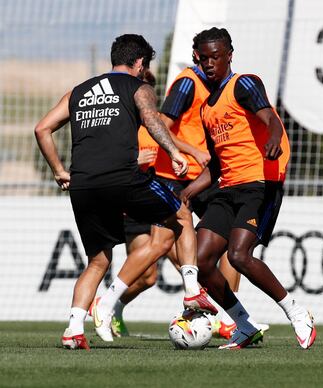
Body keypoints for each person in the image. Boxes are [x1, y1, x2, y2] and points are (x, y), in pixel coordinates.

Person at [34, 34, 216, 350]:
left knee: (97, 261)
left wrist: (59, 171)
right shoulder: (138, 87)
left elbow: (42, 129)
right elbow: (151, 119)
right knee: (181, 212)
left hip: (83, 185)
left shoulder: (78, 92)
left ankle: (74, 329)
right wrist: (174, 152)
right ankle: (188, 289)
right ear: (140, 63)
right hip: (123, 179)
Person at [109, 54, 267, 340]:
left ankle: (230, 317)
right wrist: (185, 153)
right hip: (163, 182)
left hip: (196, 177)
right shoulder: (184, 87)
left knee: (226, 244)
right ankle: (110, 305)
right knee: (154, 268)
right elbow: (159, 130)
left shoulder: (221, 92)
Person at [181, 27, 316, 349]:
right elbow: (216, 162)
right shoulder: (206, 108)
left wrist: (273, 137)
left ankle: (297, 313)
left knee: (239, 255)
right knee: (200, 262)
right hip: (227, 188)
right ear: (196, 59)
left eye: (216, 56)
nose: (210, 63)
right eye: (204, 58)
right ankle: (244, 325)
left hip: (259, 184)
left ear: (229, 55)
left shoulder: (244, 84)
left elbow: (269, 116)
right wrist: (188, 192)